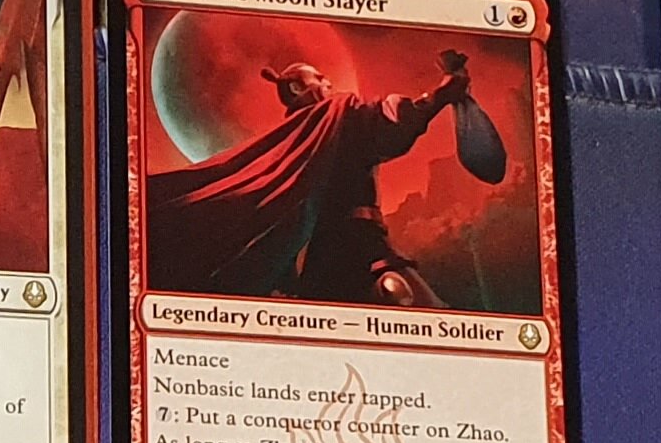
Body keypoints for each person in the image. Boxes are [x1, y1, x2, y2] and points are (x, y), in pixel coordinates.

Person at [142, 43, 482, 305]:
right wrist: (442, 92)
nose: (328, 82)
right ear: (296, 89)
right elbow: (390, 126)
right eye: (318, 78)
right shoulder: (337, 113)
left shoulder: (301, 136)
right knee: (413, 308)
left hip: (325, 260)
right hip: (354, 250)